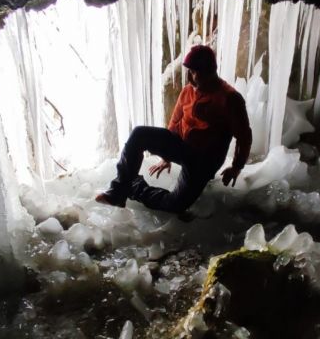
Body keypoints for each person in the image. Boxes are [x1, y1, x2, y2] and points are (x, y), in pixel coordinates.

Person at [95, 45, 252, 214]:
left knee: (175, 205)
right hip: (182, 145)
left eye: (194, 72)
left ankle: (134, 187)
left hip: (203, 161)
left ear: (209, 71)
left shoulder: (230, 99)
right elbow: (175, 123)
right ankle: (119, 191)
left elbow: (244, 136)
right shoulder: (188, 92)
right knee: (139, 134)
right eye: (189, 72)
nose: (190, 78)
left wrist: (237, 166)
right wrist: (166, 155)